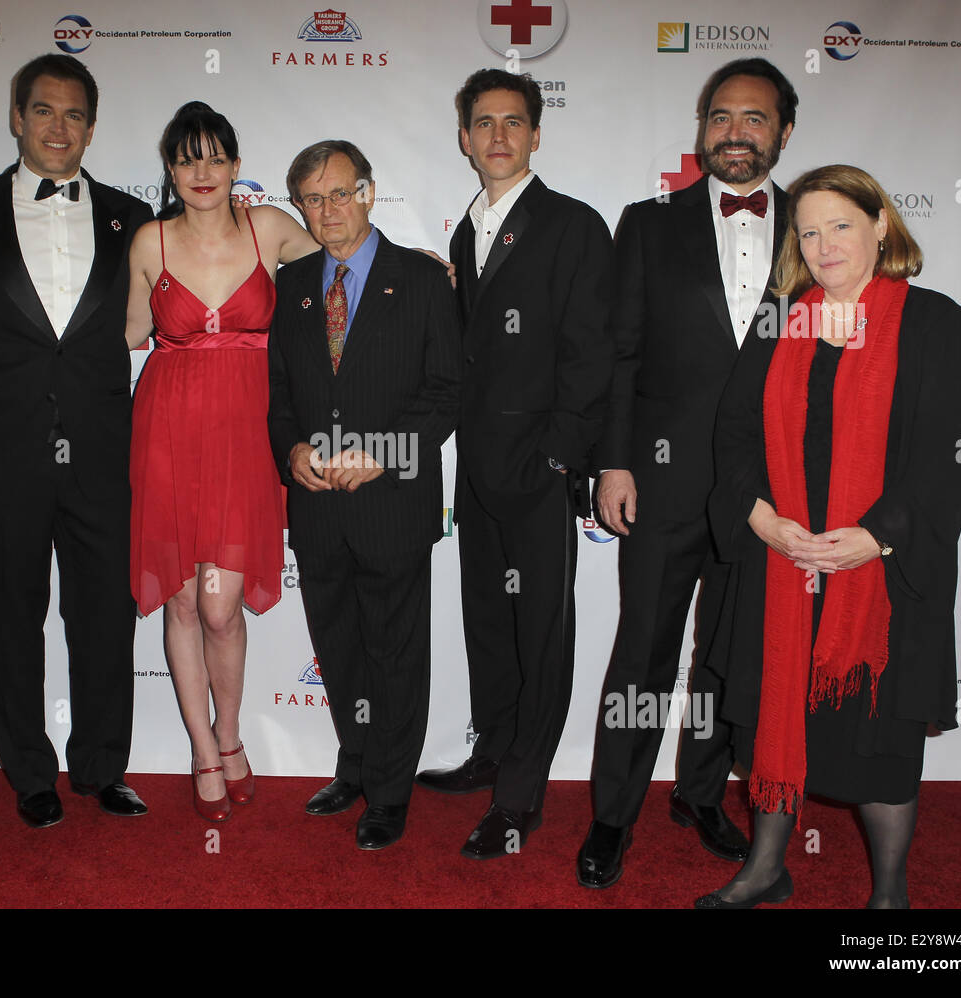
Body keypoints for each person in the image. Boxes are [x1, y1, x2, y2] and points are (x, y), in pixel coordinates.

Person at [696, 165, 961, 908]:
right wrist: (758, 516)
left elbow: (948, 455)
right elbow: (732, 436)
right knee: (771, 718)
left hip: (881, 577)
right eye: (809, 231)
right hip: (780, 564)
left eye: (841, 226)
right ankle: (766, 867)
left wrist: (876, 538)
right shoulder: (780, 322)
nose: (823, 246)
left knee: (876, 738)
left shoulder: (935, 324)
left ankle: (890, 893)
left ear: (882, 225)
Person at [578, 58, 798, 887]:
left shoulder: (814, 229)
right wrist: (616, 462)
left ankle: (701, 793)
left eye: (755, 118)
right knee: (643, 652)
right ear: (701, 127)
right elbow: (620, 354)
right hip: (663, 481)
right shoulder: (647, 223)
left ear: (783, 131)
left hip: (770, 492)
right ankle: (610, 815)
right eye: (721, 117)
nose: (736, 132)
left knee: (729, 657)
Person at [416, 69, 613, 860]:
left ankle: (520, 798)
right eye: (483, 123)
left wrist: (561, 456)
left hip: (541, 467)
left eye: (513, 122)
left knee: (542, 633)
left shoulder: (574, 225)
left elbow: (592, 353)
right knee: (489, 623)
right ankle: (493, 751)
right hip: (476, 464)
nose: (498, 136)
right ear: (464, 139)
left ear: (536, 134)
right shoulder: (466, 232)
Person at [0, 55, 154, 828]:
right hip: (2, 450)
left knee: (106, 613)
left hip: (105, 450)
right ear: (17, 116)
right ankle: (29, 775)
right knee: (12, 615)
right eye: (43, 111)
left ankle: (103, 767)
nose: (58, 128)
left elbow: (221, 266)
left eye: (74, 115)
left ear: (92, 127)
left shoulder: (131, 216)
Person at [124, 102, 320, 821]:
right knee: (180, 597)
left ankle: (233, 736)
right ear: (170, 170)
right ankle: (206, 751)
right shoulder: (151, 240)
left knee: (218, 602)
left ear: (236, 165)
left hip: (245, 429)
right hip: (168, 428)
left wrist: (418, 269)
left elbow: (343, 265)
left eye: (214, 157)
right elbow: (122, 331)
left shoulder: (267, 227)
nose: (201, 172)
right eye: (186, 158)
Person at [268, 140, 460, 850]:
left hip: (393, 502)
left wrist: (380, 455)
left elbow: (447, 393)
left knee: (395, 652)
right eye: (313, 199)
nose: (329, 211)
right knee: (341, 648)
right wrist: (291, 451)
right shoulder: (291, 286)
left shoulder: (421, 279)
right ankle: (355, 762)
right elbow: (281, 392)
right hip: (317, 506)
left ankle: (389, 789)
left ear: (370, 193)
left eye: (341, 193)